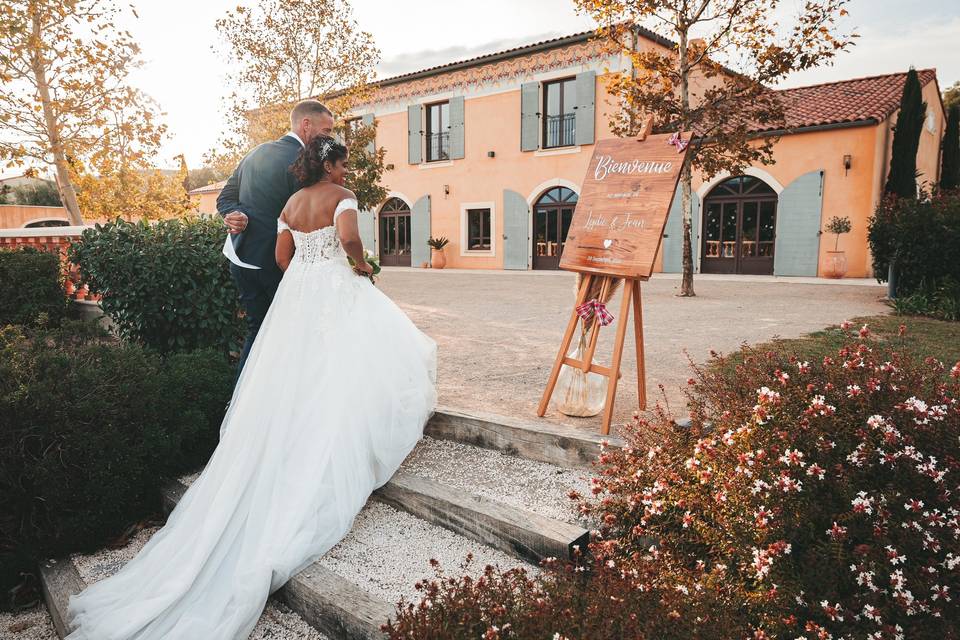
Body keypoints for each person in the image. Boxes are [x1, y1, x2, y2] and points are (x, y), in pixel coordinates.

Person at [64, 136, 437, 640]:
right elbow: (350, 240)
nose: (348, 170)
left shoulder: (290, 203)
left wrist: (306, 272)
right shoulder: (341, 198)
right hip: (332, 283)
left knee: (293, 367)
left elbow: (282, 257)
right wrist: (360, 266)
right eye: (345, 162)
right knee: (356, 357)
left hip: (300, 291)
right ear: (329, 163)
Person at [217, 100, 334, 378]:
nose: (330, 138)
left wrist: (234, 213)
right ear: (306, 125)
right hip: (278, 264)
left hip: (241, 259)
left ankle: (242, 405)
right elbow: (309, 219)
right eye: (327, 131)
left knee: (258, 330)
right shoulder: (306, 163)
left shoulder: (255, 152)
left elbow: (226, 198)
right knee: (293, 334)